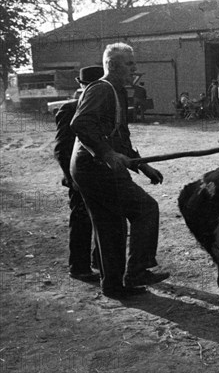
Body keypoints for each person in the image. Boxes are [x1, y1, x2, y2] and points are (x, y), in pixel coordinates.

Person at [70, 42, 169, 298]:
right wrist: (106, 153)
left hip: (89, 167)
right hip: (95, 167)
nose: (134, 68)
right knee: (145, 208)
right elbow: (80, 123)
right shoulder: (101, 89)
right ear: (113, 66)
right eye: (130, 63)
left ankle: (113, 285)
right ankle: (137, 271)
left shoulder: (117, 92)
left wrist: (143, 166)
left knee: (109, 224)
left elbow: (120, 138)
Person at [54, 65, 104, 282]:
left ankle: (98, 260)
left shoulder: (103, 104)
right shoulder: (70, 108)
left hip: (100, 174)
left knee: (104, 218)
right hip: (79, 176)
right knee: (82, 219)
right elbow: (61, 148)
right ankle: (79, 267)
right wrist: (71, 176)